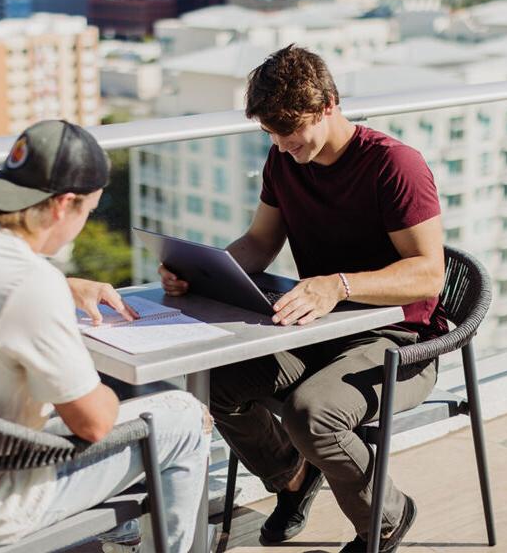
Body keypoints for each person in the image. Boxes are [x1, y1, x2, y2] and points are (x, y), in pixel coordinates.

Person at [159, 45, 447, 552]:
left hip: (400, 341)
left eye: (291, 130)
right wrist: (201, 272)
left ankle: (385, 518)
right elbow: (259, 243)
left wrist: (339, 284)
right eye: (271, 133)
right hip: (318, 330)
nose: (283, 144)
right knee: (213, 383)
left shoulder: (395, 165)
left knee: (312, 415)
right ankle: (292, 477)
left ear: (330, 104)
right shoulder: (283, 160)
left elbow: (428, 275)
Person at [0, 120, 211, 552]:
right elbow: (93, 424)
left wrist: (62, 286)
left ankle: (121, 533)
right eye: (88, 211)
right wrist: (111, 392)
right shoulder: (29, 284)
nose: (86, 221)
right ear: (63, 205)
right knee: (182, 417)